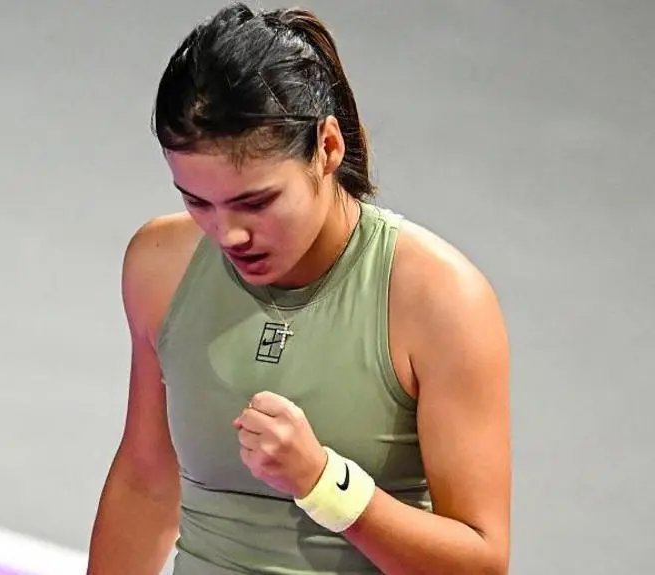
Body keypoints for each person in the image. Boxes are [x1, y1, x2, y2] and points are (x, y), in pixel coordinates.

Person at [86, 3, 511, 574]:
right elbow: (146, 480)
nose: (228, 233)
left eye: (256, 202)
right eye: (197, 202)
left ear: (328, 147)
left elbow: (481, 564)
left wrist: (326, 485)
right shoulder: (159, 266)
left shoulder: (440, 299)